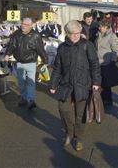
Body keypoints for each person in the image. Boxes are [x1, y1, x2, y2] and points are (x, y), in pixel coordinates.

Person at [49, 20, 101, 151]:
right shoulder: (62, 47)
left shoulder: (87, 45)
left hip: (83, 84)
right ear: (67, 34)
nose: (76, 36)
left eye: (78, 33)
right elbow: (57, 68)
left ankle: (79, 139)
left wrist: (96, 82)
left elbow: (95, 64)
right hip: (66, 85)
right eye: (73, 34)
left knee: (80, 115)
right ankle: (69, 132)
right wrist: (53, 84)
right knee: (63, 109)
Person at [5, 17, 48, 110]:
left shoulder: (36, 36)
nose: (23, 26)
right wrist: (7, 54)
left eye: (26, 25)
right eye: (22, 24)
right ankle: (24, 98)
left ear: (31, 26)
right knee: (21, 82)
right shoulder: (17, 33)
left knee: (30, 82)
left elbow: (41, 49)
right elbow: (12, 45)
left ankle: (30, 100)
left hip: (31, 63)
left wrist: (45, 60)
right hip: (19, 62)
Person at [95, 19, 118, 105]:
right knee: (99, 81)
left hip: (106, 62)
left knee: (106, 83)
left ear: (105, 27)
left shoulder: (112, 36)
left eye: (100, 27)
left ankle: (108, 100)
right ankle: (101, 99)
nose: (99, 28)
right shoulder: (98, 35)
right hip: (98, 62)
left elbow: (115, 49)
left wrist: (113, 60)